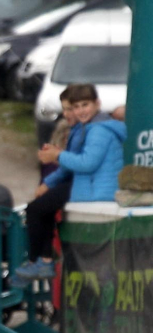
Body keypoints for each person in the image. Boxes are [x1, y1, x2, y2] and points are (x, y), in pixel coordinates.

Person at [15, 83, 124, 284]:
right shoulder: (88, 128)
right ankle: (42, 260)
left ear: (97, 104)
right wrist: (50, 179)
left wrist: (57, 155)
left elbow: (87, 163)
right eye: (75, 107)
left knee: (37, 210)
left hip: (97, 197)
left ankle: (40, 260)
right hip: (89, 194)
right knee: (40, 210)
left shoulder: (98, 130)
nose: (79, 111)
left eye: (85, 105)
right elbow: (75, 162)